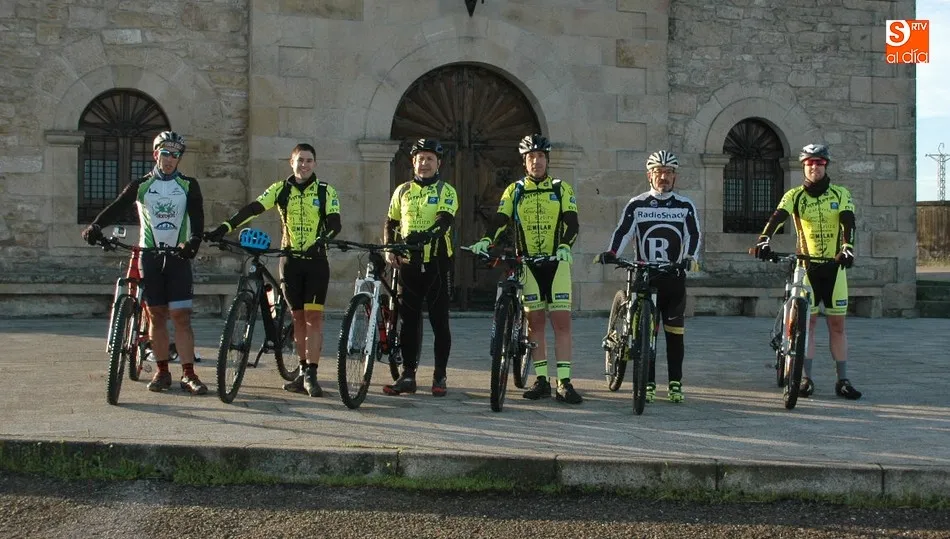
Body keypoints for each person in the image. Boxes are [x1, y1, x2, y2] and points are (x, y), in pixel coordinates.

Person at [205, 143, 342, 398]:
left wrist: (321, 241)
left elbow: (335, 223)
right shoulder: (280, 189)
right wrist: (224, 227)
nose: (304, 165)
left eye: (309, 160)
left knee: (313, 318)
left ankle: (311, 374)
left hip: (316, 261)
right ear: (292, 162)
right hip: (290, 261)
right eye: (300, 160)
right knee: (297, 317)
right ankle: (302, 369)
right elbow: (253, 209)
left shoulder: (326, 191)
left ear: (315, 163)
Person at [81, 131, 208, 395]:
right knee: (156, 315)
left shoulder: (188, 185)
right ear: (156, 155)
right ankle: (162, 371)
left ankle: (188, 374)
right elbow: (118, 206)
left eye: (175, 155)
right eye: (166, 153)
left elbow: (197, 217)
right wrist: (96, 226)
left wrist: (194, 241)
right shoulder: (141, 185)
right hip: (150, 257)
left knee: (181, 317)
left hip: (178, 258)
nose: (170, 159)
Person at [468, 134, 582, 405]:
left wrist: (564, 245)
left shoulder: (561, 188)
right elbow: (501, 219)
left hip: (556, 262)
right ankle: (541, 379)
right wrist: (487, 239)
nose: (536, 161)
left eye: (540, 156)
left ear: (547, 160)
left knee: (561, 322)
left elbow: (572, 221)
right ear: (524, 162)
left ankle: (564, 381)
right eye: (531, 157)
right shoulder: (515, 190)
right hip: (528, 264)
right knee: (536, 323)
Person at [751, 143, 862, 400]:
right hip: (806, 267)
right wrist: (763, 240)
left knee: (837, 326)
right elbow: (778, 216)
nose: (814, 167)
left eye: (819, 162)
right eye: (809, 163)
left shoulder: (840, 194)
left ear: (826, 165)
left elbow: (848, 220)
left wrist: (847, 248)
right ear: (803, 166)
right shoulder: (795, 195)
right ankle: (805, 379)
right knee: (807, 325)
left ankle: (842, 380)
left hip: (834, 267)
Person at [597, 150, 702, 404]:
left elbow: (693, 235)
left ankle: (675, 382)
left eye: (668, 172)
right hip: (645, 276)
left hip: (673, 276)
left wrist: (690, 257)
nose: (663, 177)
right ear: (649, 176)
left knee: (675, 333)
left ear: (675, 176)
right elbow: (623, 231)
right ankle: (649, 382)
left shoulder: (684, 205)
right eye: (658, 172)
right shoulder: (637, 204)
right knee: (646, 334)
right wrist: (612, 252)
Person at [382, 138, 458, 397]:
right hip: (408, 264)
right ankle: (408, 375)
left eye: (430, 159)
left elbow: (444, 221)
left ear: (439, 163)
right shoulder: (402, 190)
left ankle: (440, 375)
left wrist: (423, 237)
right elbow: (391, 222)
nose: (424, 163)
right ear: (413, 162)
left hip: (437, 263)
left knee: (439, 321)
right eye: (420, 159)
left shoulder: (446, 190)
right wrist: (390, 247)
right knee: (409, 321)